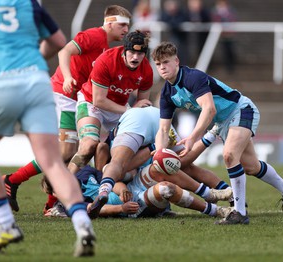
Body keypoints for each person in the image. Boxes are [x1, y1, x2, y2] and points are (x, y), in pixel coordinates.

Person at [151, 42, 283, 225]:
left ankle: (239, 213)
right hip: (223, 122)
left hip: (241, 109)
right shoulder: (167, 92)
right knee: (251, 167)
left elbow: (209, 109)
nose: (162, 67)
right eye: (158, 64)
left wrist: (193, 138)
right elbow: (163, 129)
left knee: (229, 155)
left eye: (166, 62)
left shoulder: (192, 77)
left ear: (176, 61)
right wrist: (159, 152)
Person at [3, 5, 132, 214]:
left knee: (68, 155)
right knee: (65, 152)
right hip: (63, 96)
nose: (126, 29)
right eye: (122, 25)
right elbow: (65, 51)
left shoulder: (107, 48)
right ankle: (13, 181)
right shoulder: (95, 35)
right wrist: (68, 76)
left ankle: (48, 203)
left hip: (75, 99)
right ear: (109, 23)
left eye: (128, 25)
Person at [0, 0, 95, 256]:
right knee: (53, 162)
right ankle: (83, 225)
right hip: (38, 81)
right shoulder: (29, 5)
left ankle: (5, 224)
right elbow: (58, 41)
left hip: (3, 82)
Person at [87, 106, 233, 218]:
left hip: (136, 125)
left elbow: (108, 169)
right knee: (172, 174)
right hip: (152, 115)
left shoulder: (89, 181)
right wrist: (120, 207)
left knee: (118, 167)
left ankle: (215, 199)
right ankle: (224, 200)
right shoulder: (82, 188)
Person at [67, 30, 153, 178]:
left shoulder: (146, 70)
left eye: (140, 54)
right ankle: (63, 188)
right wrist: (129, 110)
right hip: (91, 103)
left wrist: (133, 111)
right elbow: (98, 100)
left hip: (118, 111)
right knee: (89, 146)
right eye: (132, 52)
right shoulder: (107, 60)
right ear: (125, 50)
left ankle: (101, 187)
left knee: (119, 153)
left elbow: (142, 104)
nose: (136, 57)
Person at [44, 165, 233, 220]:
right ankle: (216, 211)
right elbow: (96, 209)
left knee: (160, 166)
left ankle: (209, 193)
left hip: (130, 189)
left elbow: (110, 180)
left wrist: (122, 188)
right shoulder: (71, 205)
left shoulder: (84, 172)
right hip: (131, 208)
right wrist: (121, 209)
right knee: (166, 188)